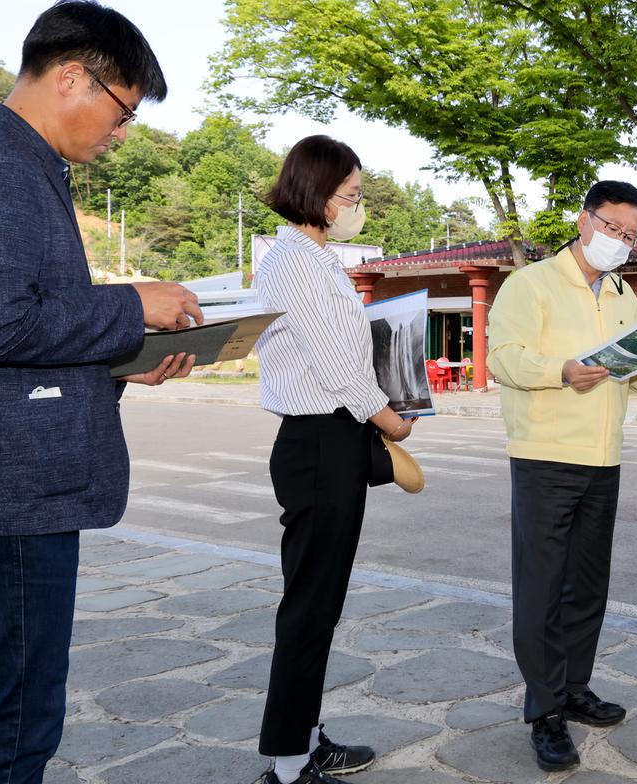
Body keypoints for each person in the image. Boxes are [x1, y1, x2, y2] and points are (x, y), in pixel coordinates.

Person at [0, 0, 203, 782]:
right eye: (122, 115)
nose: (121, 137)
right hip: (1, 490)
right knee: (15, 723)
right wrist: (131, 305)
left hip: (2, 478)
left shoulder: (17, 163)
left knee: (16, 709)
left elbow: (17, 329)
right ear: (73, 78)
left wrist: (123, 356)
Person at [488, 181, 637, 773]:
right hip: (547, 454)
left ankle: (575, 689)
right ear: (583, 220)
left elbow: (627, 369)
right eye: (612, 228)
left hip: (604, 457)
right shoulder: (531, 284)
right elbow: (504, 358)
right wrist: (561, 371)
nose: (620, 242)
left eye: (631, 234)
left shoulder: (624, 292)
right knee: (542, 588)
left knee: (587, 585)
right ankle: (544, 712)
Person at [253, 135, 417, 784]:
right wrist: (391, 420)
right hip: (319, 440)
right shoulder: (293, 260)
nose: (357, 205)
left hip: (335, 441)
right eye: (350, 195)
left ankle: (306, 736)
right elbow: (336, 366)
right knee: (310, 605)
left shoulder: (318, 259)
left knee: (322, 604)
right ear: (317, 194)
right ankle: (289, 765)